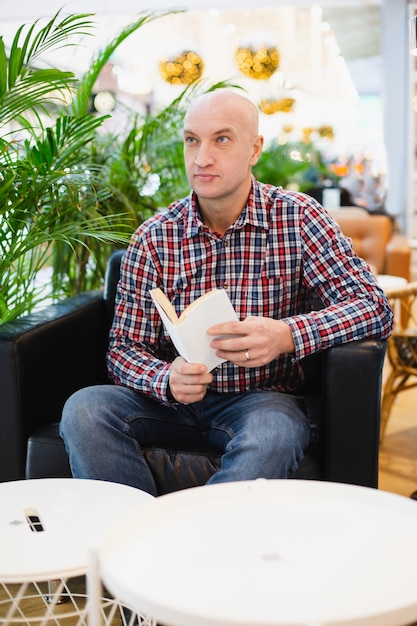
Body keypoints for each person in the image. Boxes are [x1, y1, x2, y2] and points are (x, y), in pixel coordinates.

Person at [60, 90, 393, 496]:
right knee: (84, 410)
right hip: (169, 403)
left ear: (254, 149)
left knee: (274, 431)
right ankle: (138, 537)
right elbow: (123, 348)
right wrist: (166, 378)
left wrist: (286, 335)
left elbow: (373, 307)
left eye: (221, 139)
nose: (201, 159)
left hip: (262, 400)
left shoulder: (299, 218)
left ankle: (200, 541)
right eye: (191, 140)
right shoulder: (154, 236)